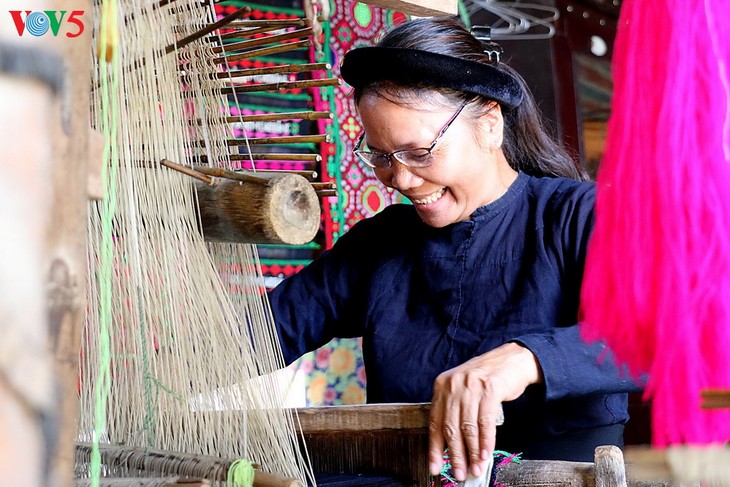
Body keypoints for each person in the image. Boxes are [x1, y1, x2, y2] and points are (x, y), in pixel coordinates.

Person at [268, 16, 640, 482]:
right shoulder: (381, 243)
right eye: (382, 157)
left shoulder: (577, 216)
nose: (400, 179)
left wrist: (526, 358)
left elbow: (661, 335)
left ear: (488, 124)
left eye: (420, 152)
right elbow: (263, 335)